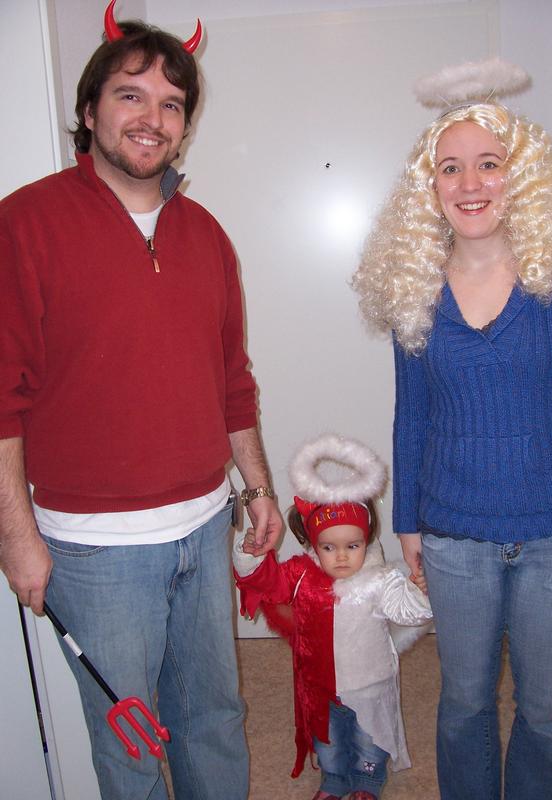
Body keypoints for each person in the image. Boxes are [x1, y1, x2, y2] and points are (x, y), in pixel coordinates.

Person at [0, 7, 282, 800]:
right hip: (95, 553)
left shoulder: (206, 235)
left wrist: (256, 488)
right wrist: (16, 537)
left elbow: (231, 378)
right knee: (130, 746)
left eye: (171, 104)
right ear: (90, 110)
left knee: (215, 717)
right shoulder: (25, 223)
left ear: (185, 126)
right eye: (130, 95)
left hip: (204, 524)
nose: (151, 118)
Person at [352, 60, 552, 800]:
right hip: (454, 533)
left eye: (489, 164)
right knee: (463, 705)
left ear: (518, 174)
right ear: (429, 188)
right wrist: (407, 521)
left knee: (546, 711)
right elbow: (413, 413)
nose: (470, 184)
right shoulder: (415, 288)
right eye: (450, 168)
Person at [233, 434, 432, 800]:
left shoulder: (380, 580)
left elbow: (409, 611)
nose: (341, 557)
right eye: (329, 547)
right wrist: (253, 556)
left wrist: (421, 591)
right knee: (329, 741)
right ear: (314, 544)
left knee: (369, 740)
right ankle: (334, 778)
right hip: (321, 686)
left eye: (352, 546)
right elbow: (270, 585)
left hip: (370, 684)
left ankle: (368, 780)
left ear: (366, 540)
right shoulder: (302, 575)